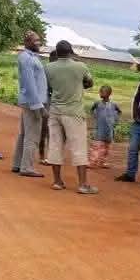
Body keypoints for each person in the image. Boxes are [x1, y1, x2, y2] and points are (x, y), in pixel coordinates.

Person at [45, 39, 98, 195]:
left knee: (55, 145)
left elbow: (47, 88)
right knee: (79, 147)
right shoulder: (80, 66)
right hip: (74, 112)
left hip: (55, 111)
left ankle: (57, 181)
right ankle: (82, 184)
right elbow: (89, 83)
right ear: (70, 52)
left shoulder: (48, 67)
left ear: (57, 52)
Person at [12, 30, 48, 178]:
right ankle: (27, 167)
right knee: (32, 136)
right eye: (35, 41)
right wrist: (38, 106)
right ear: (27, 42)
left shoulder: (30, 57)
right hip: (33, 102)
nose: (38, 43)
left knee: (25, 134)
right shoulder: (27, 58)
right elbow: (30, 83)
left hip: (30, 101)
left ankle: (17, 164)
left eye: (39, 40)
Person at [88, 85, 121, 168]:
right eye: (100, 91)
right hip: (99, 129)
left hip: (109, 130)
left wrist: (115, 120)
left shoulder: (113, 104)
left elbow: (119, 111)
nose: (100, 93)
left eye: (103, 92)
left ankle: (103, 162)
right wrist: (95, 116)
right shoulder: (97, 103)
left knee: (106, 147)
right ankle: (92, 162)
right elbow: (92, 110)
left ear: (109, 94)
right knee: (96, 146)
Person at [39, 49, 57, 165]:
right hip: (46, 101)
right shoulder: (46, 70)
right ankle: (42, 155)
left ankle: (48, 156)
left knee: (49, 131)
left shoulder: (53, 70)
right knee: (44, 130)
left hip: (52, 102)